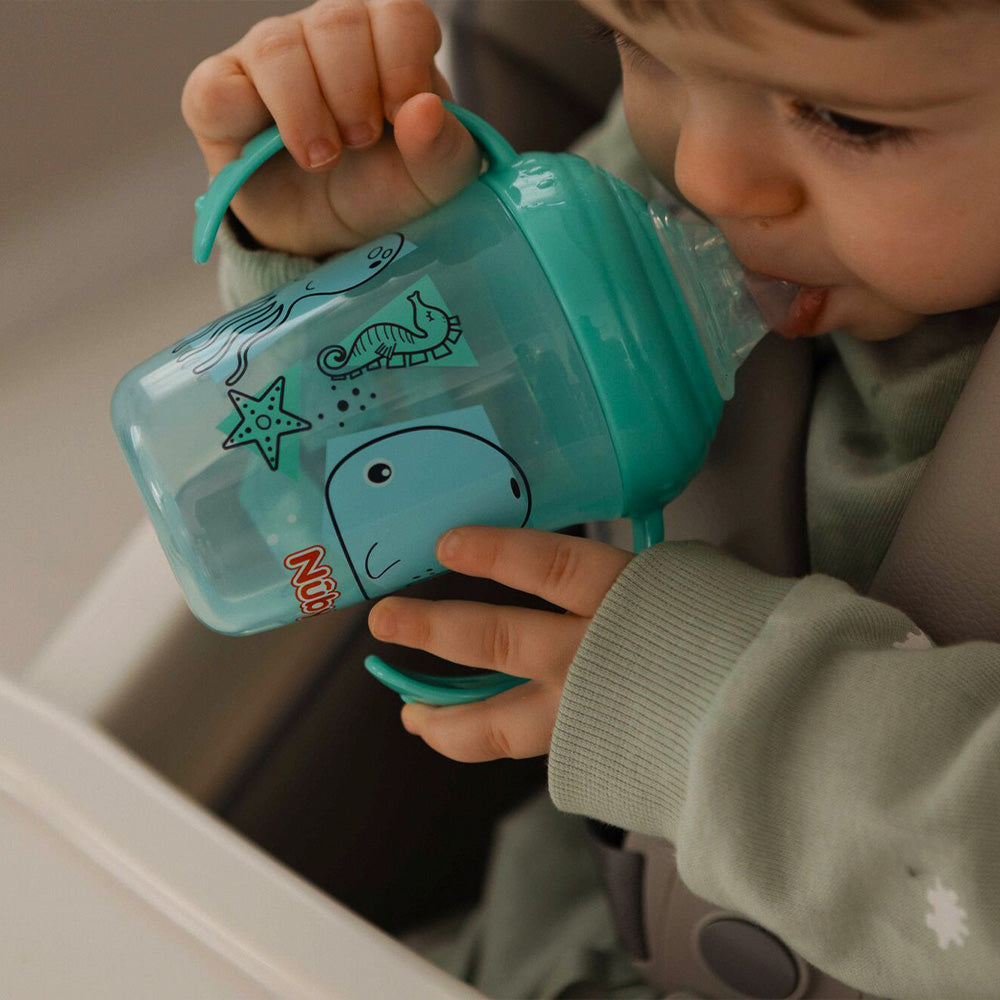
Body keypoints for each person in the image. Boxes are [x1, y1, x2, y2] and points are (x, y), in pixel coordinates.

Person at [182, 0, 1000, 995]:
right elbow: (387, 465)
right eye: (637, 48)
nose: (705, 172)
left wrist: (718, 718)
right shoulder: (659, 203)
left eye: (849, 120)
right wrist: (342, 284)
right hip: (561, 936)